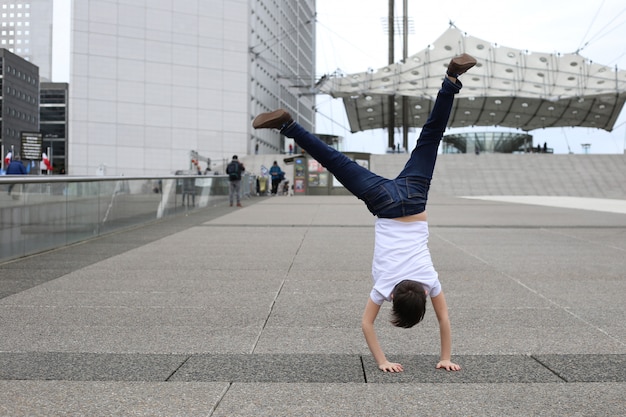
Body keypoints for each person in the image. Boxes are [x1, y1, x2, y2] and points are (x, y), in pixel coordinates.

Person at [253, 53, 477, 373]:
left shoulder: (430, 283)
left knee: (430, 137)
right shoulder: (384, 286)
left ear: (422, 298)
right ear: (394, 302)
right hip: (383, 203)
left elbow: (444, 319)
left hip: (413, 198)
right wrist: (382, 361)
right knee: (335, 161)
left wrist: (446, 356)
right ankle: (288, 125)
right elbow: (366, 325)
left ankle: (451, 79)